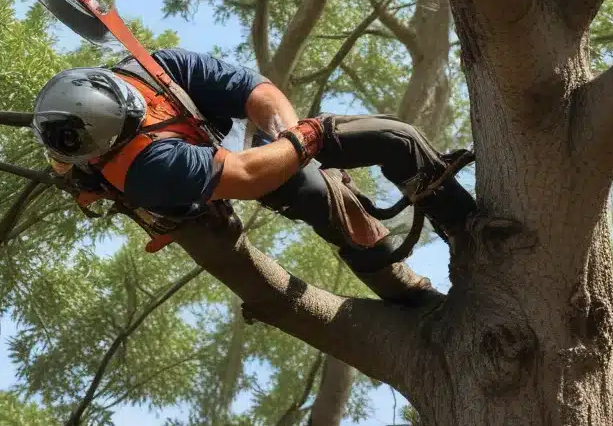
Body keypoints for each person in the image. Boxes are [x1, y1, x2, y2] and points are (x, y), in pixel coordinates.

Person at [32, 48, 475, 298]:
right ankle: (405, 287)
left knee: (390, 140)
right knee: (312, 189)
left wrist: (287, 135)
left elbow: (254, 90)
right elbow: (247, 175)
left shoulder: (151, 72)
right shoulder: (145, 169)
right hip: (188, 193)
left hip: (206, 150)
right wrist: (307, 143)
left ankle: (464, 228)